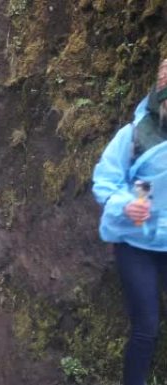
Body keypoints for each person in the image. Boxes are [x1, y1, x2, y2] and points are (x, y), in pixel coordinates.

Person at [92, 59, 167, 385]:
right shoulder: (133, 136)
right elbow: (105, 182)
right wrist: (125, 205)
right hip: (135, 245)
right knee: (146, 328)